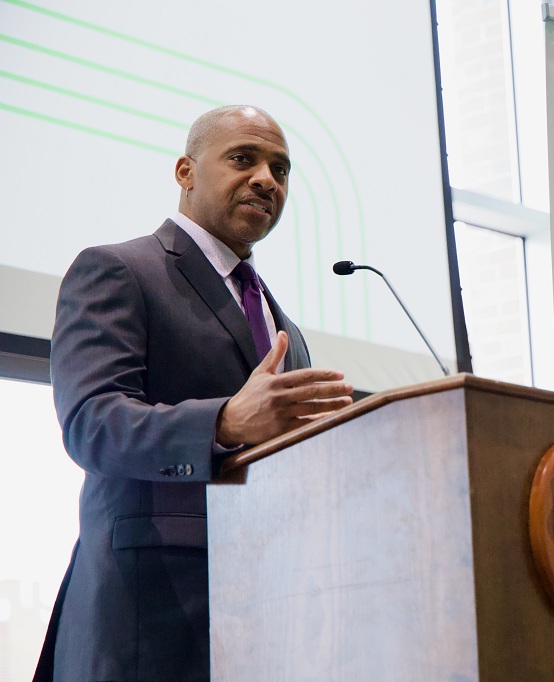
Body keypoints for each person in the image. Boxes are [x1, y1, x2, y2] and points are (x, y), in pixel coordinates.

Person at [34, 105, 354, 682]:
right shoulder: (119, 270)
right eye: (243, 159)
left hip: (268, 615)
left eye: (280, 170)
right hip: (148, 616)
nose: (266, 179)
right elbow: (92, 423)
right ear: (185, 172)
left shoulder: (287, 330)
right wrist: (225, 422)